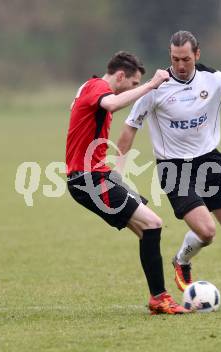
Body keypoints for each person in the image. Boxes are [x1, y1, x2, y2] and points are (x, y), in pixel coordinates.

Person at [116, 31, 221, 307]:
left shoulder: (214, 79)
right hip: (174, 169)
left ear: (197, 55)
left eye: (186, 59)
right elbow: (130, 128)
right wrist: (117, 167)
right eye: (175, 59)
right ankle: (181, 260)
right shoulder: (156, 88)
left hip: (212, 162)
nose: (180, 65)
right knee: (207, 232)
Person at [65, 51, 189, 315]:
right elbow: (111, 104)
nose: (135, 89)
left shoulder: (89, 86)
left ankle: (159, 296)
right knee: (153, 223)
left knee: (148, 229)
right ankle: (160, 297)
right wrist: (151, 85)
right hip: (89, 179)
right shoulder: (99, 88)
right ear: (121, 76)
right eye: (133, 83)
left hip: (94, 177)